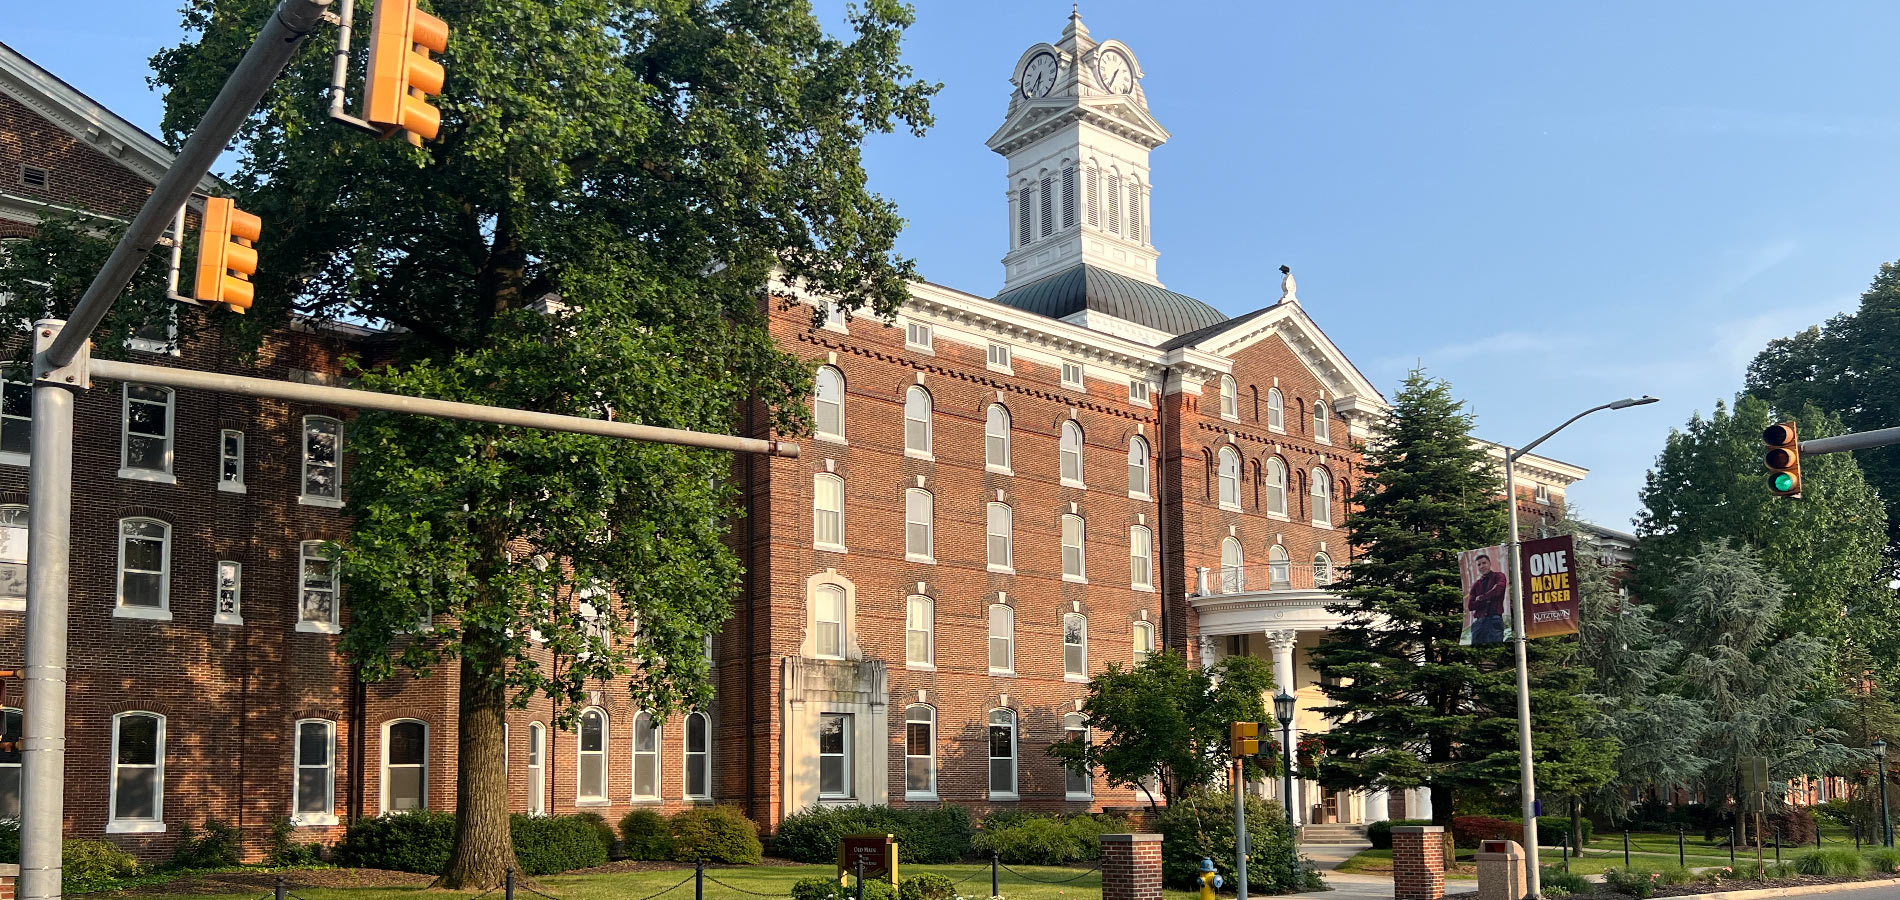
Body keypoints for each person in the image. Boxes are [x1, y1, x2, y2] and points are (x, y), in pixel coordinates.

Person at [1465, 551, 1508, 644]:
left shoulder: (1499, 576)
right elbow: (1471, 606)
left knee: (1496, 648)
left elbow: (1498, 591)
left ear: (1489, 563)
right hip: (1479, 623)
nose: (1482, 566)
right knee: (1476, 652)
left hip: (1494, 620)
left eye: (1484, 563)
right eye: (1479, 565)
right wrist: (1490, 596)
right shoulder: (1476, 585)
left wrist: (1480, 598)